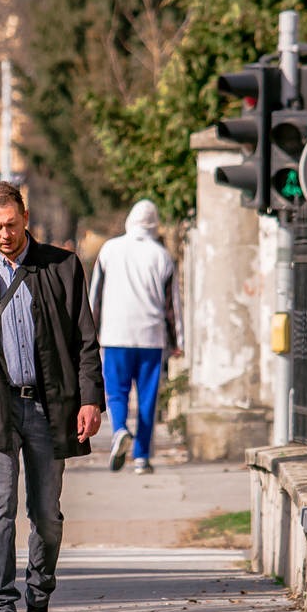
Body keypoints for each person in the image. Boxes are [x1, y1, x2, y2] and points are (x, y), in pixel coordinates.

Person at [0, 181, 104, 612]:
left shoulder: (61, 265)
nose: (5, 234)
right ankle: (2, 610)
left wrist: (90, 398)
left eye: (12, 224)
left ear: (26, 217)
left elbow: (84, 339)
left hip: (48, 404)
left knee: (46, 514)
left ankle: (39, 596)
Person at [89, 199, 183, 476]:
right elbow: (172, 304)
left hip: (115, 334)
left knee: (116, 391)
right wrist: (177, 341)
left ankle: (119, 430)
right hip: (151, 337)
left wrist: (91, 332)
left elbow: (96, 294)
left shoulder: (109, 249)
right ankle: (142, 457)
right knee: (147, 398)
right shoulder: (162, 255)